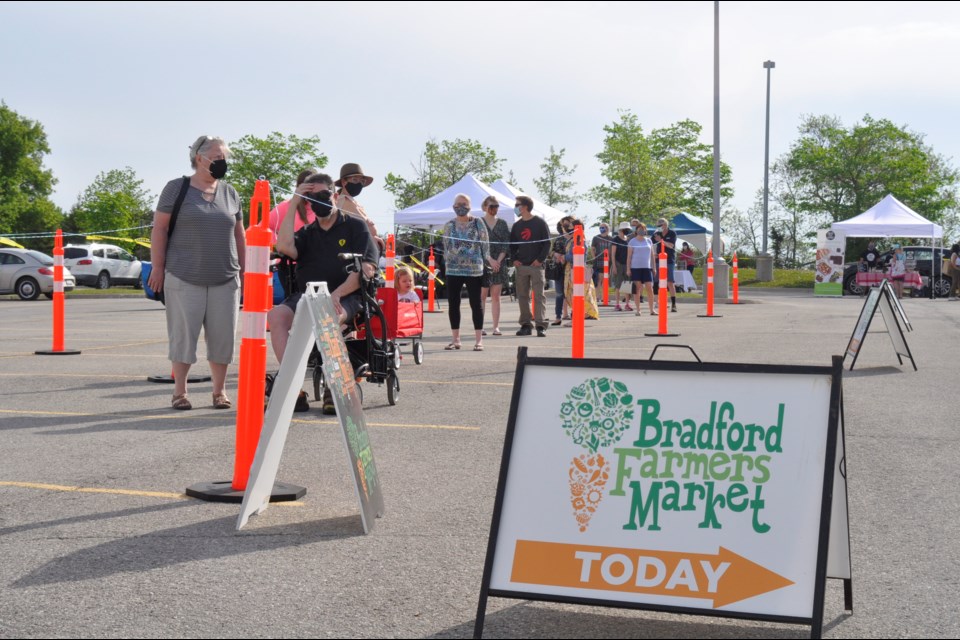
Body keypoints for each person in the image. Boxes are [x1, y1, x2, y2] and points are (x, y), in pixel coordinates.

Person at [148, 135, 245, 411]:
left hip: (226, 279)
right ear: (199, 158)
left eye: (224, 158)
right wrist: (158, 267)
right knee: (183, 338)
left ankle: (219, 392)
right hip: (183, 276)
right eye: (216, 158)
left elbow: (240, 235)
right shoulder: (176, 189)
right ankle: (180, 393)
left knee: (222, 338)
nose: (222, 163)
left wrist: (247, 273)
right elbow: (160, 229)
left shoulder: (230, 192)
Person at [268, 172, 378, 414]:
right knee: (276, 316)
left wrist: (337, 294)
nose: (317, 200)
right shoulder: (308, 232)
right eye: (311, 197)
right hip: (308, 295)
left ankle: (333, 385)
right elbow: (284, 246)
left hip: (346, 296)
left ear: (335, 195)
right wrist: (295, 201)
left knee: (328, 315)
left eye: (323, 195)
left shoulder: (355, 227)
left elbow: (367, 268)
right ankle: (293, 387)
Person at [442, 193, 491, 351]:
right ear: (453, 206)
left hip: (474, 270)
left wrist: (488, 260)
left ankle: (479, 340)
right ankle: (455, 339)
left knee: (476, 304)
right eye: (458, 204)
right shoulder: (449, 224)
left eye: (464, 204)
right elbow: (446, 246)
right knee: (453, 304)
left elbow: (485, 244)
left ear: (470, 206)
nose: (460, 207)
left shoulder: (478, 223)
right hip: (453, 270)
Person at [510, 195, 551, 337]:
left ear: (525, 207)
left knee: (539, 296)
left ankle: (540, 325)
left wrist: (540, 260)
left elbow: (547, 243)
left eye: (517, 204)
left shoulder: (539, 223)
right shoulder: (517, 225)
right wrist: (514, 259)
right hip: (521, 266)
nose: (516, 207)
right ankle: (526, 325)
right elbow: (512, 245)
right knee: (522, 296)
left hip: (536, 266)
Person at [334, 163, 383, 255]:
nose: (359, 184)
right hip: (356, 251)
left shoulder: (354, 202)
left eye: (362, 181)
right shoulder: (341, 201)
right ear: (344, 182)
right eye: (355, 180)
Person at [479, 196, 510, 336]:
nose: (494, 209)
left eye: (496, 206)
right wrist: (490, 259)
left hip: (499, 262)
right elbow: (478, 244)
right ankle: (480, 326)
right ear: (485, 207)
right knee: (482, 296)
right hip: (482, 263)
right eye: (492, 206)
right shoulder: (478, 222)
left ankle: (496, 327)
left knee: (496, 296)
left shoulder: (502, 223)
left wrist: (498, 260)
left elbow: (506, 244)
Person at [563, 218, 600, 325]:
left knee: (577, 293)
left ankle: (577, 316)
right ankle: (577, 315)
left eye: (570, 226)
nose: (568, 228)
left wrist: (564, 256)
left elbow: (576, 256)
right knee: (572, 293)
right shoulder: (572, 240)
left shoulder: (580, 240)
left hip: (576, 270)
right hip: (571, 270)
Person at [268, 169, 317, 243]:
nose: (310, 188)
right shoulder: (286, 206)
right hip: (292, 253)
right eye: (307, 184)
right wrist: (280, 243)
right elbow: (263, 227)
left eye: (314, 184)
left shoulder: (326, 208)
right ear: (299, 186)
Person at [626, 222, 657, 315]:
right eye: (640, 229)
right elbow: (629, 256)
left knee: (649, 288)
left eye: (643, 229)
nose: (641, 230)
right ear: (636, 230)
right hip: (635, 268)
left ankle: (652, 310)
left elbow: (652, 255)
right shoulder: (632, 241)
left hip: (647, 268)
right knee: (638, 288)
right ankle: (638, 310)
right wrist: (628, 268)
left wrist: (654, 267)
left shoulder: (649, 241)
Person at [550, 217, 573, 326]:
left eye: (567, 225)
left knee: (572, 293)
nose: (564, 227)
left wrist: (564, 257)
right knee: (559, 293)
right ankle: (558, 317)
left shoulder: (575, 238)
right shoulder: (558, 238)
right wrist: (555, 255)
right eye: (562, 225)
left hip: (571, 269)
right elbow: (551, 251)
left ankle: (573, 316)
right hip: (559, 269)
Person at [656, 217, 679, 312]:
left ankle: (673, 304)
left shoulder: (672, 233)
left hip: (669, 260)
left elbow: (671, 245)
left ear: (666, 224)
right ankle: (659, 302)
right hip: (659, 260)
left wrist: (661, 240)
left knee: (670, 282)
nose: (661, 226)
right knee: (659, 282)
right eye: (659, 224)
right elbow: (651, 244)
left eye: (663, 224)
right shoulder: (656, 234)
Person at [610, 222, 633, 311]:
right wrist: (614, 266)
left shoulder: (628, 240)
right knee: (618, 285)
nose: (627, 231)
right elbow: (613, 254)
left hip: (626, 264)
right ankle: (617, 304)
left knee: (627, 284)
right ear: (621, 230)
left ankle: (627, 303)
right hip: (618, 264)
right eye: (625, 229)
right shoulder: (615, 239)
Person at [590, 223, 614, 289]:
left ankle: (605, 297)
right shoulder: (596, 238)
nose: (601, 229)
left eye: (603, 227)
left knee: (606, 279)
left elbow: (613, 250)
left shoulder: (611, 239)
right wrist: (594, 258)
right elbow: (592, 249)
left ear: (607, 228)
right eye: (600, 227)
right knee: (599, 279)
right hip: (599, 261)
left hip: (608, 261)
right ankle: (598, 297)